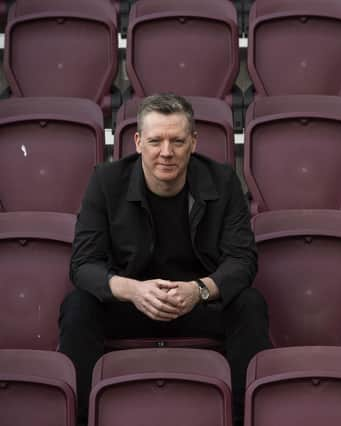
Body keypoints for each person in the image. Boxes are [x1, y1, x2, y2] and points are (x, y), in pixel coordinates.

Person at [59, 93, 271, 426]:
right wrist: (133, 291)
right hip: (130, 304)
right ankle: (83, 419)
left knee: (249, 304)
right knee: (78, 307)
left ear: (194, 142)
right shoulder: (105, 182)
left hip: (197, 303)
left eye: (177, 140)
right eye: (156, 140)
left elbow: (243, 260)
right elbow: (83, 264)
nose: (167, 152)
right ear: (139, 142)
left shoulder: (223, 180)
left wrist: (198, 290)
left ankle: (244, 418)